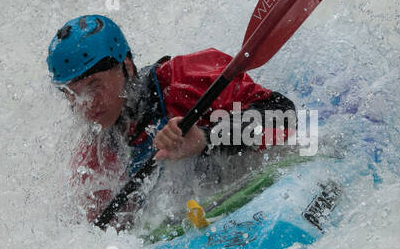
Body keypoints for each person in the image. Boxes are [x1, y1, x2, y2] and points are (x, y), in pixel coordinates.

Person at [48, 14, 296, 225]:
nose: (84, 105)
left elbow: (284, 115)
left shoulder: (185, 79)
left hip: (264, 186)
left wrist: (206, 138)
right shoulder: (94, 157)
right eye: (71, 94)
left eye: (93, 86)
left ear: (127, 66)